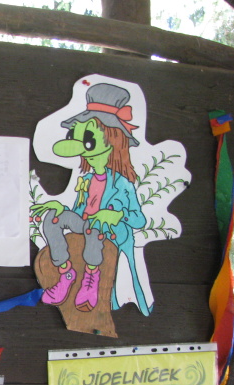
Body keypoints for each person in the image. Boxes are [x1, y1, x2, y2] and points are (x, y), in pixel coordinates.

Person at [30, 83, 150, 315]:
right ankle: (66, 273)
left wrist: (117, 215)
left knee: (96, 227)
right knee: (53, 218)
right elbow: (79, 212)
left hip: (111, 230)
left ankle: (91, 277)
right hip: (86, 224)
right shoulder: (86, 178)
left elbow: (139, 220)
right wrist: (60, 207)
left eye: (87, 138)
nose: (77, 145)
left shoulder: (122, 183)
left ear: (112, 140)